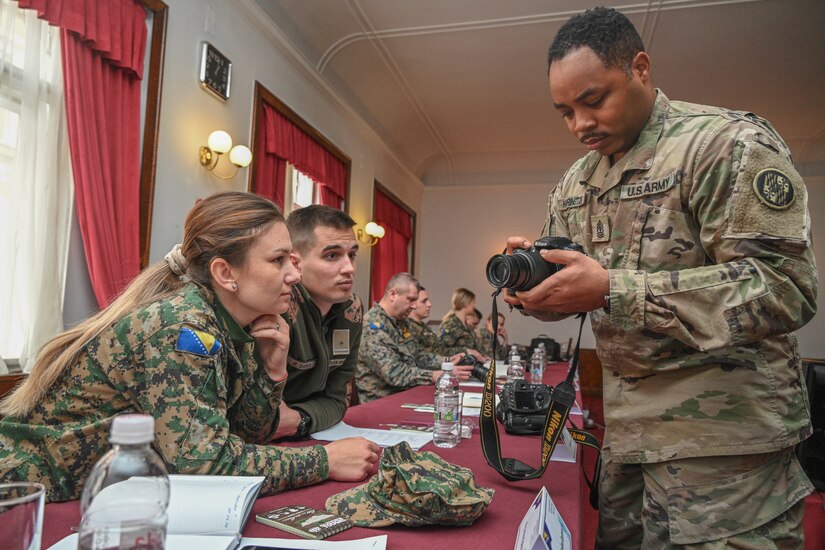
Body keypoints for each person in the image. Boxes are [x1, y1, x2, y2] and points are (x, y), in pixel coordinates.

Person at [504, 7, 817, 547]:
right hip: (627, 439)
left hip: (723, 446)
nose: (579, 124)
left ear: (640, 69)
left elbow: (784, 288)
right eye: (564, 111)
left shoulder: (723, 145)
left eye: (593, 100)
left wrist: (613, 290)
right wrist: (537, 295)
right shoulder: (577, 182)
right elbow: (576, 290)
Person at [0, 192, 380, 503]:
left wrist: (273, 370)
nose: (294, 275)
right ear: (225, 274)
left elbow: (246, 435)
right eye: (279, 260)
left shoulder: (237, 322)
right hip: (24, 493)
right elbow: (203, 465)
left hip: (93, 492)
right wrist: (324, 459)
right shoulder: (183, 327)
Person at [273, 205, 362, 439]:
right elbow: (267, 415)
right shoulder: (276, 307)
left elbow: (337, 400)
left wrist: (300, 420)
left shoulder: (352, 310)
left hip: (305, 431)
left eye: (352, 255)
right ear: (295, 263)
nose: (349, 268)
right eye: (332, 256)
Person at [356, 273, 473, 403]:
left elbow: (417, 356)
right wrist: (435, 376)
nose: (414, 305)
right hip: (381, 402)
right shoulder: (373, 325)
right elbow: (393, 373)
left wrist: (447, 361)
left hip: (406, 395)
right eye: (410, 299)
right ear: (392, 295)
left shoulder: (400, 322)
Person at [438, 288, 483, 356]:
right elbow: (441, 349)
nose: (474, 306)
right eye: (473, 303)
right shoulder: (451, 324)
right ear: (466, 303)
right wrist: (465, 351)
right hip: (456, 365)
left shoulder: (466, 325)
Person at [406, 285, 441, 354]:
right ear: (413, 304)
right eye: (424, 301)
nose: (429, 304)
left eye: (428, 300)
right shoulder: (407, 327)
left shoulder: (425, 327)